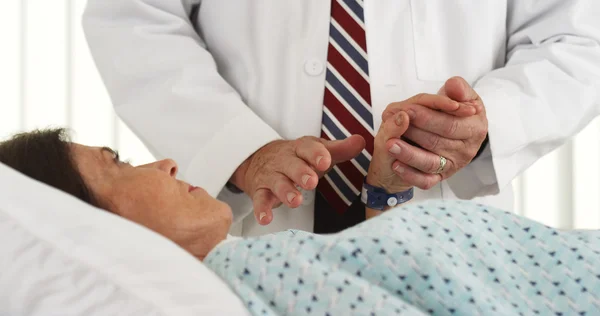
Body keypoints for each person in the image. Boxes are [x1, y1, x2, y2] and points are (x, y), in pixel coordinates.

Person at [82, 1, 600, 236]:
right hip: (258, 227)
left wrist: (490, 123)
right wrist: (236, 149)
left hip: (447, 230)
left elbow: (578, 37)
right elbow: (133, 17)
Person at [1, 127, 599, 315]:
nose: (167, 160)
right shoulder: (243, 283)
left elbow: (378, 273)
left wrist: (386, 196)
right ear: (87, 225)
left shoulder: (254, 267)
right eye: (121, 163)